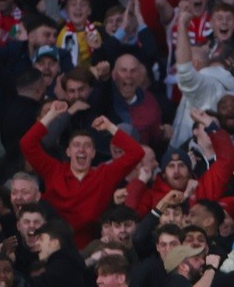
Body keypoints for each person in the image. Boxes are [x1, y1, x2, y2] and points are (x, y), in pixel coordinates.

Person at [20, 101, 145, 247]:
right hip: (54, 246)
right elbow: (27, 144)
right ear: (68, 152)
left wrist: (110, 127)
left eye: (87, 146)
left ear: (93, 153)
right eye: (76, 145)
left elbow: (137, 153)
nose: (82, 150)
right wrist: (52, 114)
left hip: (91, 248)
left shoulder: (104, 174)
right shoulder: (54, 170)